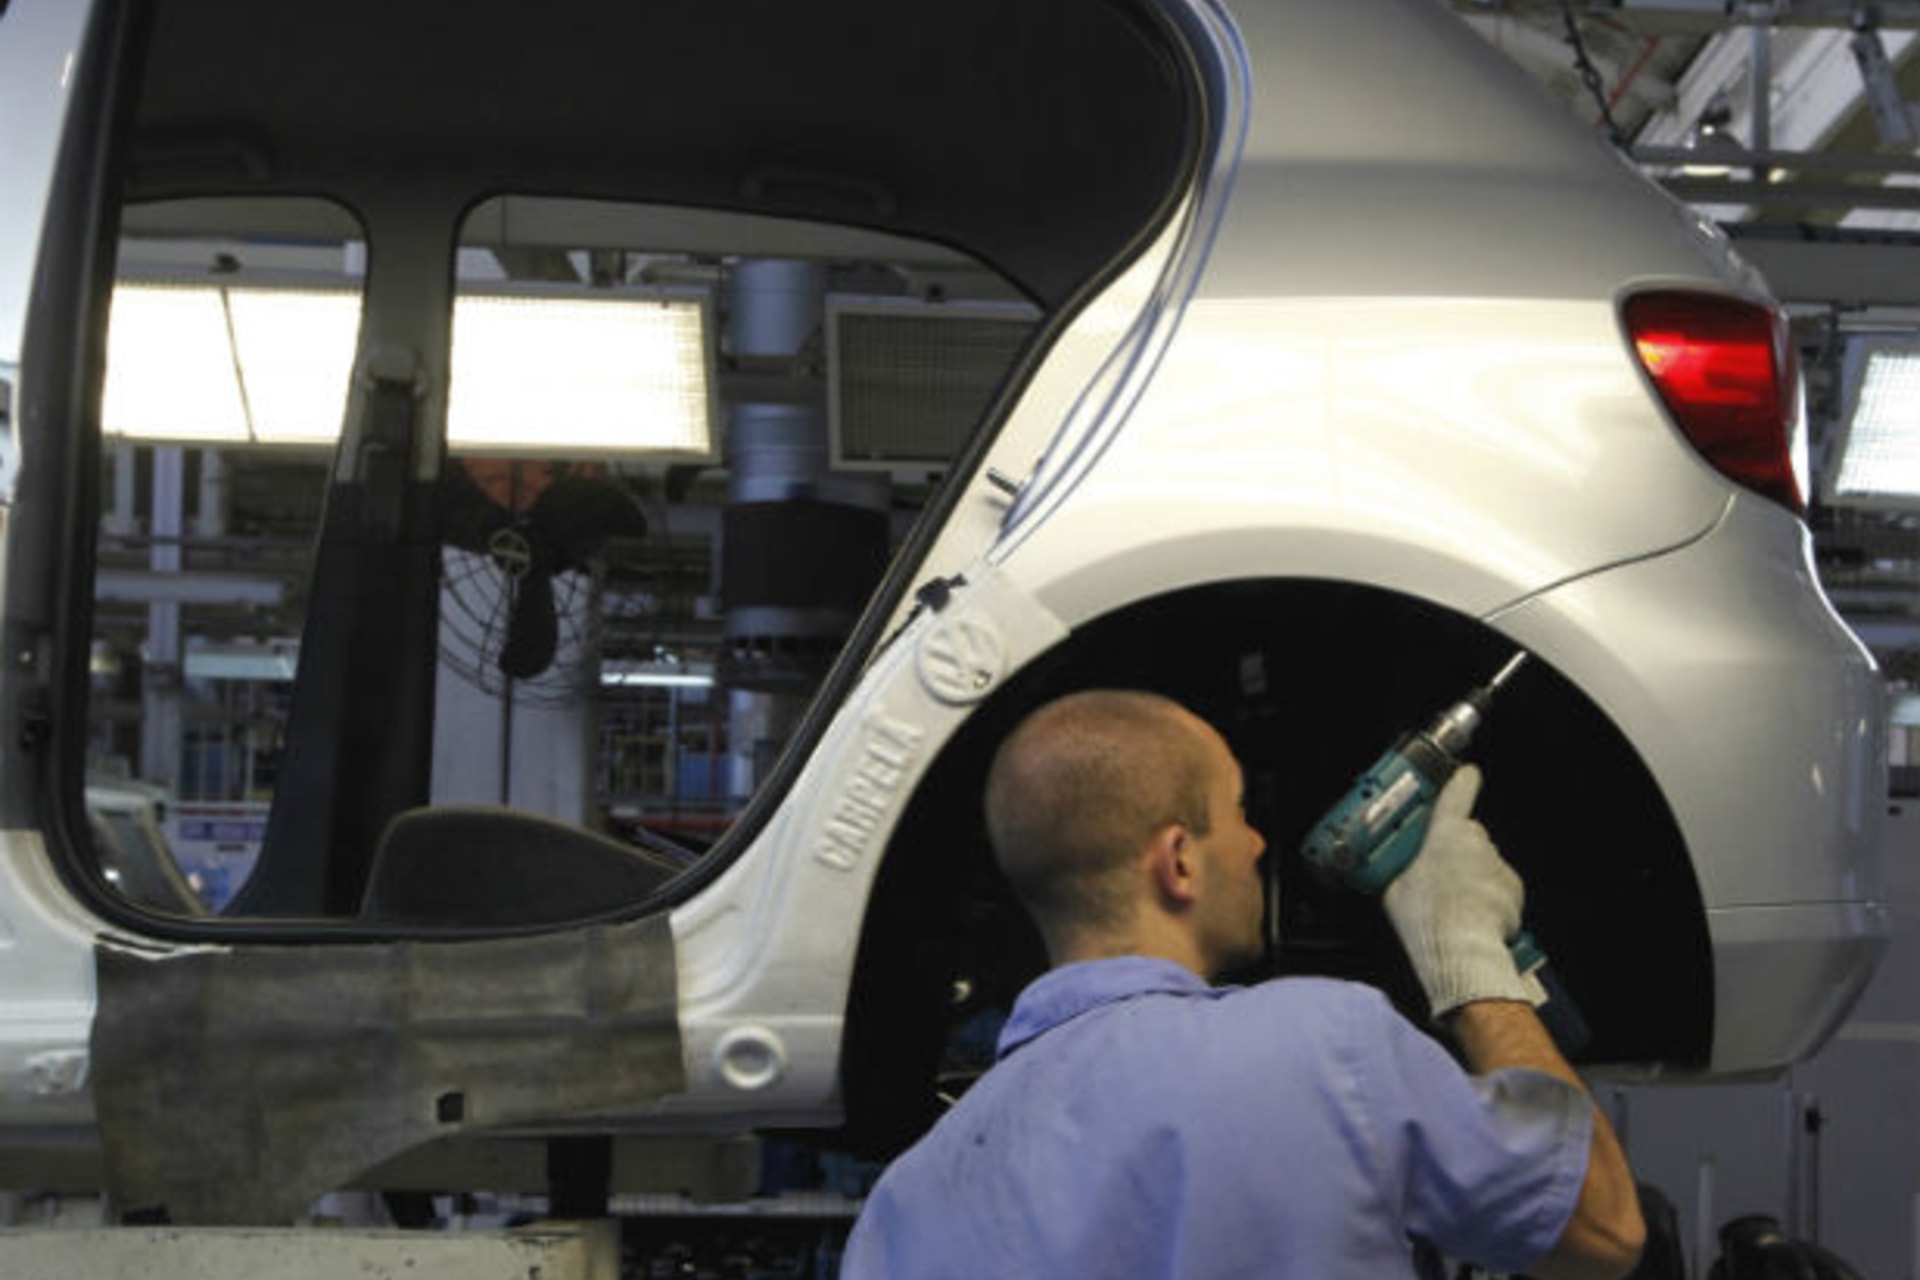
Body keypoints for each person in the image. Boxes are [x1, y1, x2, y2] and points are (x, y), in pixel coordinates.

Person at [839, 688, 1645, 1280]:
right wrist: (1469, 957)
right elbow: (1602, 1229)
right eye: (1237, 811)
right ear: (1178, 860)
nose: (1259, 841)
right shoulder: (1323, 1047)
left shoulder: (903, 1208)